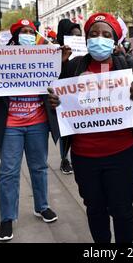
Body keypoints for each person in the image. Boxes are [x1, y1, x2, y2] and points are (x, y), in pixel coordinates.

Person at [48, 12, 133, 243]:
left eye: (106, 34)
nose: (99, 38)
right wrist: (55, 102)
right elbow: (56, 101)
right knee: (95, 209)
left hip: (122, 154)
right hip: (84, 156)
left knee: (123, 210)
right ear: (86, 39)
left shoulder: (130, 66)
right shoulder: (73, 67)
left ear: (114, 39)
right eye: (93, 34)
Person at [0, 19, 60, 241]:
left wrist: (62, 58)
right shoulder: (1, 57)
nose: (28, 34)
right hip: (11, 124)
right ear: (15, 36)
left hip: (38, 123)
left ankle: (42, 206)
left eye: (31, 31)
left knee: (39, 167)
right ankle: (7, 218)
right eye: (23, 31)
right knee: (8, 172)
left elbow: (58, 80)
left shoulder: (44, 54)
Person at [56, 18, 83, 175]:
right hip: (65, 97)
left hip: (81, 95)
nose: (77, 39)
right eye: (73, 35)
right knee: (65, 130)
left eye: (79, 36)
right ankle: (64, 158)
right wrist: (62, 60)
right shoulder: (56, 52)